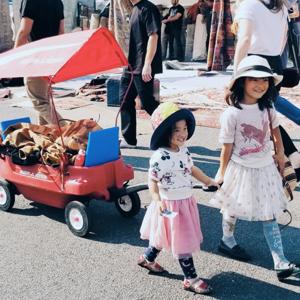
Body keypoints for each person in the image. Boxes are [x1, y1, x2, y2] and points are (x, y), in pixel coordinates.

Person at [211, 55, 300, 281]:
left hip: (265, 168)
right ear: (241, 82)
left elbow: (276, 133)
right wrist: (221, 173)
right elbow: (226, 147)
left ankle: (280, 261)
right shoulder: (232, 114)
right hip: (240, 168)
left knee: (269, 213)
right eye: (254, 80)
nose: (260, 85)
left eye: (265, 80)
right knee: (232, 207)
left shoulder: (267, 108)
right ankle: (227, 240)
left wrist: (281, 157)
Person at [138, 102, 219, 294]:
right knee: (182, 240)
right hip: (169, 204)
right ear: (165, 131)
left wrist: (209, 180)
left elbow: (191, 168)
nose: (183, 133)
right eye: (177, 130)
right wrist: (157, 199)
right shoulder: (160, 157)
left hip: (185, 201)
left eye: (185, 128)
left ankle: (147, 258)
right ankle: (190, 278)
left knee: (163, 235)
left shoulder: (183, 151)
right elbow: (152, 180)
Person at [233, 0, 300, 181]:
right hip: (275, 62)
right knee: (265, 112)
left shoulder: (249, 5)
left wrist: (235, 74)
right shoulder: (280, 6)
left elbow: (245, 39)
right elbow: (284, 39)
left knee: (257, 116)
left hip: (254, 64)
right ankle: (292, 157)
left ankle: (286, 157)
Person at [119, 0, 162, 148]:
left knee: (148, 103)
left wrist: (147, 64)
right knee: (124, 99)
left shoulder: (148, 8)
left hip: (143, 64)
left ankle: (173, 129)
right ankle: (129, 140)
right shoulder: (135, 9)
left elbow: (153, 36)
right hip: (131, 64)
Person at [14, 0, 65, 125]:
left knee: (39, 102)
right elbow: (61, 32)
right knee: (45, 100)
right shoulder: (57, 2)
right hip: (51, 56)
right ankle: (47, 135)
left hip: (35, 57)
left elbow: (24, 32)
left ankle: (70, 132)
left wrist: (15, 57)